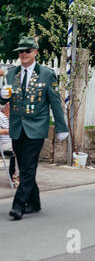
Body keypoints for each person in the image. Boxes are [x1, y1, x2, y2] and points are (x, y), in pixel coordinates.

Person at [0, 36, 69, 220]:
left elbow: (55, 103)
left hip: (36, 127)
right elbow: (5, 100)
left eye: (27, 51)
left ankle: (19, 205)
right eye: (21, 51)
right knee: (24, 166)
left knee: (28, 168)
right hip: (16, 127)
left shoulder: (47, 74)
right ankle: (35, 202)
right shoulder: (11, 73)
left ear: (35, 52)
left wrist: (61, 128)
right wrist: (2, 96)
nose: (23, 54)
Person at [0, 103, 18, 186]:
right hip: (4, 144)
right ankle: (16, 177)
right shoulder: (1, 116)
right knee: (20, 149)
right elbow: (11, 130)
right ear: (7, 106)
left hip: (10, 142)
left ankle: (15, 175)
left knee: (21, 147)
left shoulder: (8, 116)